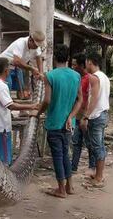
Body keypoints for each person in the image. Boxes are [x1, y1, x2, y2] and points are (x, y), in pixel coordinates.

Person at [35, 44, 82, 198]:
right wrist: (71, 116)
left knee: (57, 155)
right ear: (68, 58)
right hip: (69, 123)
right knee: (65, 154)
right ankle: (70, 186)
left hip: (54, 122)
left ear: (55, 58)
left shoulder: (51, 76)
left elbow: (47, 100)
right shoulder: (76, 76)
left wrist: (38, 112)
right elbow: (79, 100)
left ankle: (61, 189)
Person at [0, 58, 39, 165]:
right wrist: (31, 106)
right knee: (4, 160)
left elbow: (7, 101)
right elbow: (11, 106)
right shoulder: (2, 86)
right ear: (6, 70)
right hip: (1, 127)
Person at [80, 52, 110, 188]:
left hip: (96, 116)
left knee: (97, 146)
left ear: (90, 62)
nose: (85, 64)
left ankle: (99, 177)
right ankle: (98, 174)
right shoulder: (104, 77)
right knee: (99, 145)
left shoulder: (94, 77)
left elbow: (94, 98)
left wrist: (86, 116)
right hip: (102, 113)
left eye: (86, 62)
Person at [0, 31, 45, 99]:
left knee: (21, 88)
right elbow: (16, 61)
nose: (36, 47)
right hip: (4, 64)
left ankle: (20, 104)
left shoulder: (36, 47)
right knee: (8, 85)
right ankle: (6, 104)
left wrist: (41, 72)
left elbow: (39, 58)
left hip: (17, 66)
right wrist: (32, 69)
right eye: (35, 45)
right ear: (30, 40)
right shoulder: (20, 43)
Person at [71, 53, 92, 173]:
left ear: (81, 65)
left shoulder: (89, 79)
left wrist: (86, 116)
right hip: (77, 114)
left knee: (89, 142)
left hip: (86, 115)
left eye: (75, 64)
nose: (73, 66)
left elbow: (91, 98)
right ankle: (73, 166)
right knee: (76, 142)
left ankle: (92, 167)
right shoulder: (76, 77)